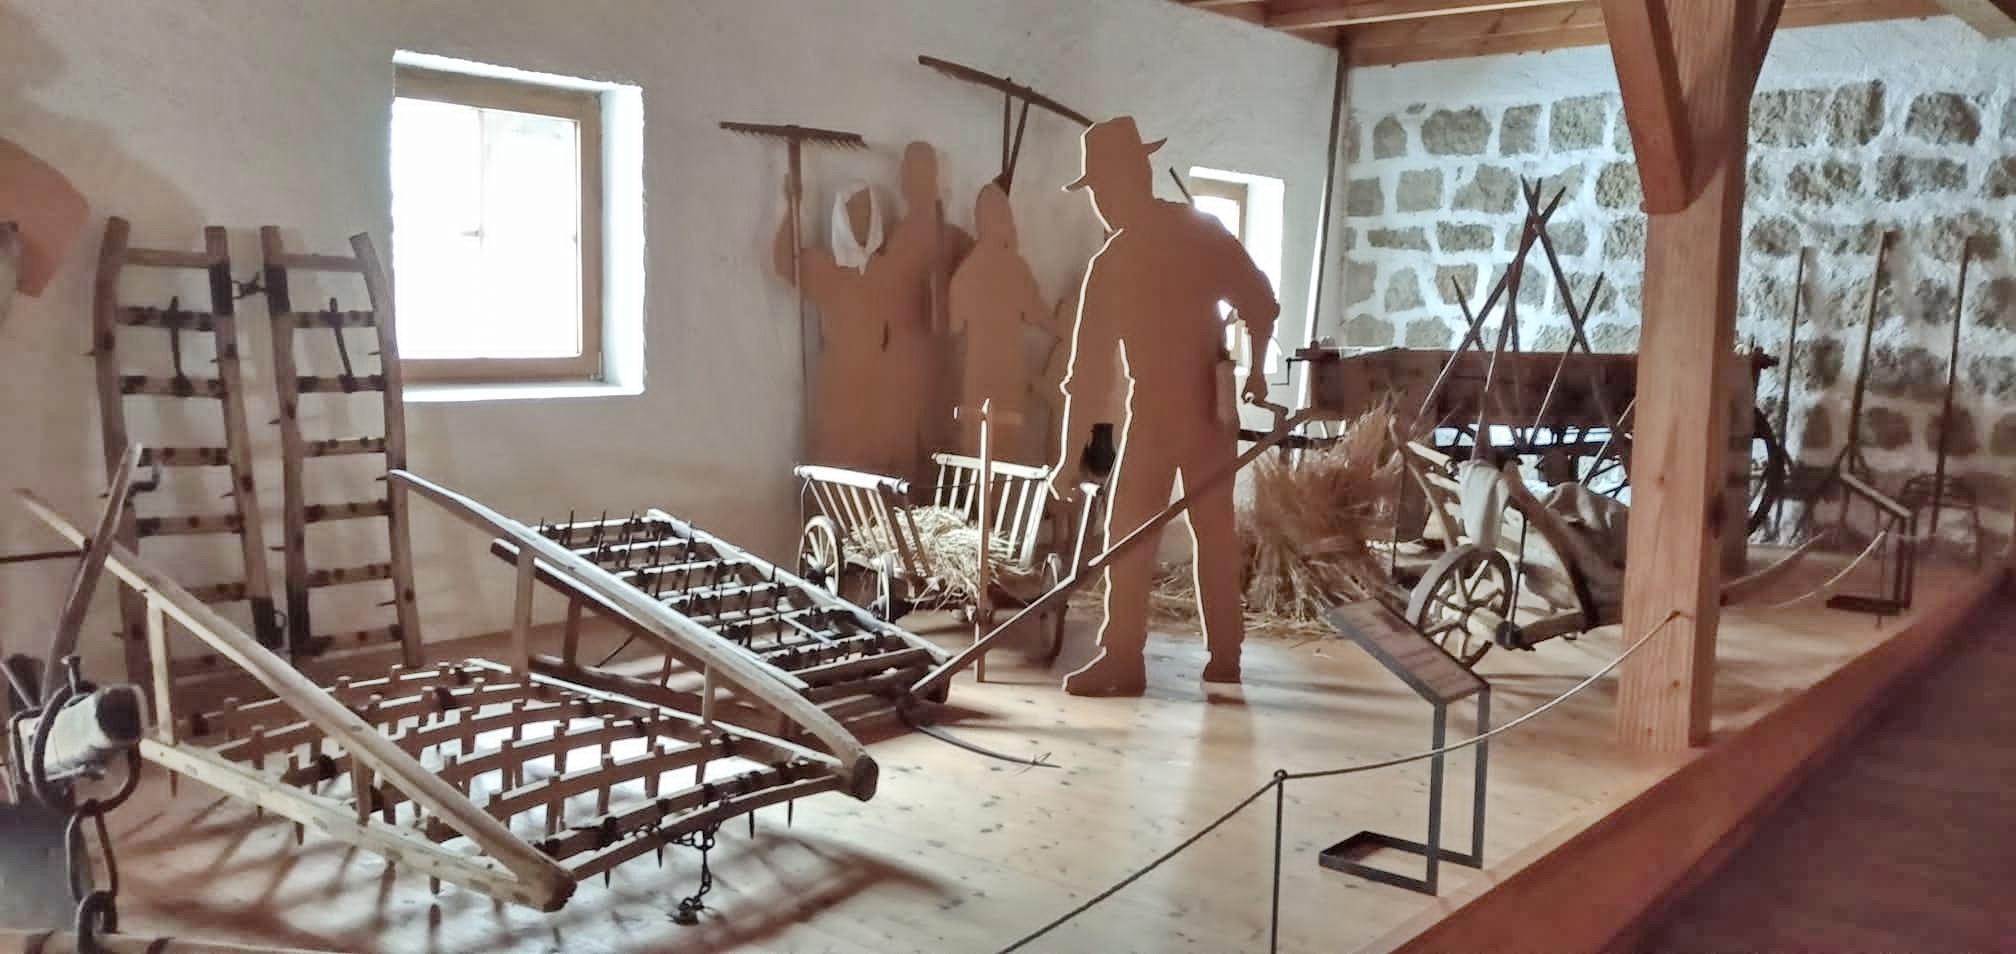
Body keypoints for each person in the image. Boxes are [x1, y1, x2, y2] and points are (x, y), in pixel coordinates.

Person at [1049, 117, 1279, 697]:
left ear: (1132, 177)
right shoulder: (1184, 238)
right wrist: (1255, 368)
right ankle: (1185, 657)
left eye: (1102, 187)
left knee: (1161, 532)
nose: (1100, 202)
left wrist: (1070, 461)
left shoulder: (1131, 255)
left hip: (1184, 408)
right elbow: (1261, 302)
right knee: (1169, 531)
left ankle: (1159, 657)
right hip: (1179, 410)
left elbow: (1085, 378)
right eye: (1095, 191)